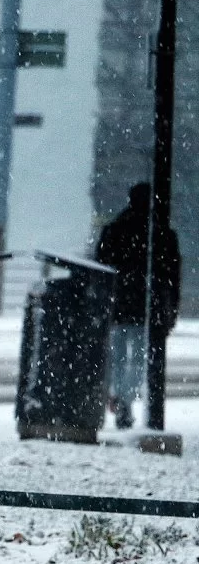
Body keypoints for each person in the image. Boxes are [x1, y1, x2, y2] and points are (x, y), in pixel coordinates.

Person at [94, 182, 181, 430]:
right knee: (140, 358)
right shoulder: (162, 234)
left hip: (119, 305)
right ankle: (127, 398)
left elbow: (102, 269)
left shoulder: (114, 231)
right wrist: (170, 308)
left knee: (119, 355)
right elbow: (172, 276)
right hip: (148, 306)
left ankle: (121, 399)